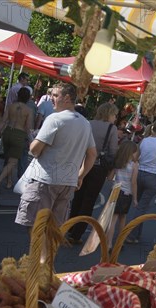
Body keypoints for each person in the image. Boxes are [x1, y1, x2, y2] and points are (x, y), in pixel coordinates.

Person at [14, 83, 96, 230]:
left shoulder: (55, 119)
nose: (51, 98)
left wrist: (33, 140)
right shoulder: (85, 124)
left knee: (35, 227)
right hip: (68, 182)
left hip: (45, 180)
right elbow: (92, 154)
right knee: (53, 230)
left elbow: (35, 150)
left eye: (56, 95)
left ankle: (36, 254)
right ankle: (46, 254)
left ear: (67, 98)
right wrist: (80, 176)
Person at [66, 102, 119, 243]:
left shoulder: (88, 123)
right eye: (114, 115)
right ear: (109, 114)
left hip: (82, 163)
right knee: (89, 201)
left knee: (77, 197)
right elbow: (113, 151)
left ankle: (70, 227)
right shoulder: (111, 129)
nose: (115, 118)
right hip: (98, 168)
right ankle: (76, 234)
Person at [125, 118, 156, 243]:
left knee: (138, 205)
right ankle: (131, 234)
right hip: (152, 176)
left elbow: (136, 157)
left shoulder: (144, 141)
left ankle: (136, 234)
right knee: (142, 207)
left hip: (140, 173)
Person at [0, 87, 32, 192]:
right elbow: (28, 128)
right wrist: (31, 140)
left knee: (8, 158)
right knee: (13, 162)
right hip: (19, 134)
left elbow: (3, 121)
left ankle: (9, 182)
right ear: (28, 98)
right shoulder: (28, 110)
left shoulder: (10, 106)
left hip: (8, 132)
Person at [106, 140, 139, 250]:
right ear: (131, 152)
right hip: (126, 193)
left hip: (115, 191)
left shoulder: (118, 162)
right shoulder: (134, 165)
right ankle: (120, 242)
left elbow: (110, 178)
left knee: (113, 218)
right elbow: (133, 182)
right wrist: (135, 198)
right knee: (122, 218)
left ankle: (109, 243)